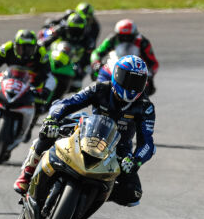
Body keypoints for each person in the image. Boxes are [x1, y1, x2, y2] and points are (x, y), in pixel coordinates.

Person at [13, 55, 155, 207]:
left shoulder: (145, 106)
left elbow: (147, 143)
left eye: (137, 82)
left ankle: (93, 196)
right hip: (89, 131)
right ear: (117, 75)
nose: (131, 86)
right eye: (127, 79)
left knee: (133, 194)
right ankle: (27, 174)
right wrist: (52, 118)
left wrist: (135, 160)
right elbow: (67, 102)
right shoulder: (99, 88)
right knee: (49, 131)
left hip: (119, 148)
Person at [0, 29, 57, 138]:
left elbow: (50, 77)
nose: (25, 52)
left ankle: (30, 125)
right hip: (9, 79)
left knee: (41, 104)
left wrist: (45, 91)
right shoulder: (6, 48)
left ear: (34, 47)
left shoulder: (41, 53)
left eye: (29, 48)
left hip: (31, 83)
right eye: (21, 48)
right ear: (15, 45)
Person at [90, 19, 159, 94]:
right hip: (113, 69)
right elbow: (97, 53)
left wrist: (148, 75)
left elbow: (154, 63)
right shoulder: (112, 39)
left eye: (128, 37)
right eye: (122, 36)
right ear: (117, 34)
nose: (125, 39)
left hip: (134, 73)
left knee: (145, 88)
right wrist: (95, 63)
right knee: (98, 85)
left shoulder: (143, 42)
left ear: (134, 35)